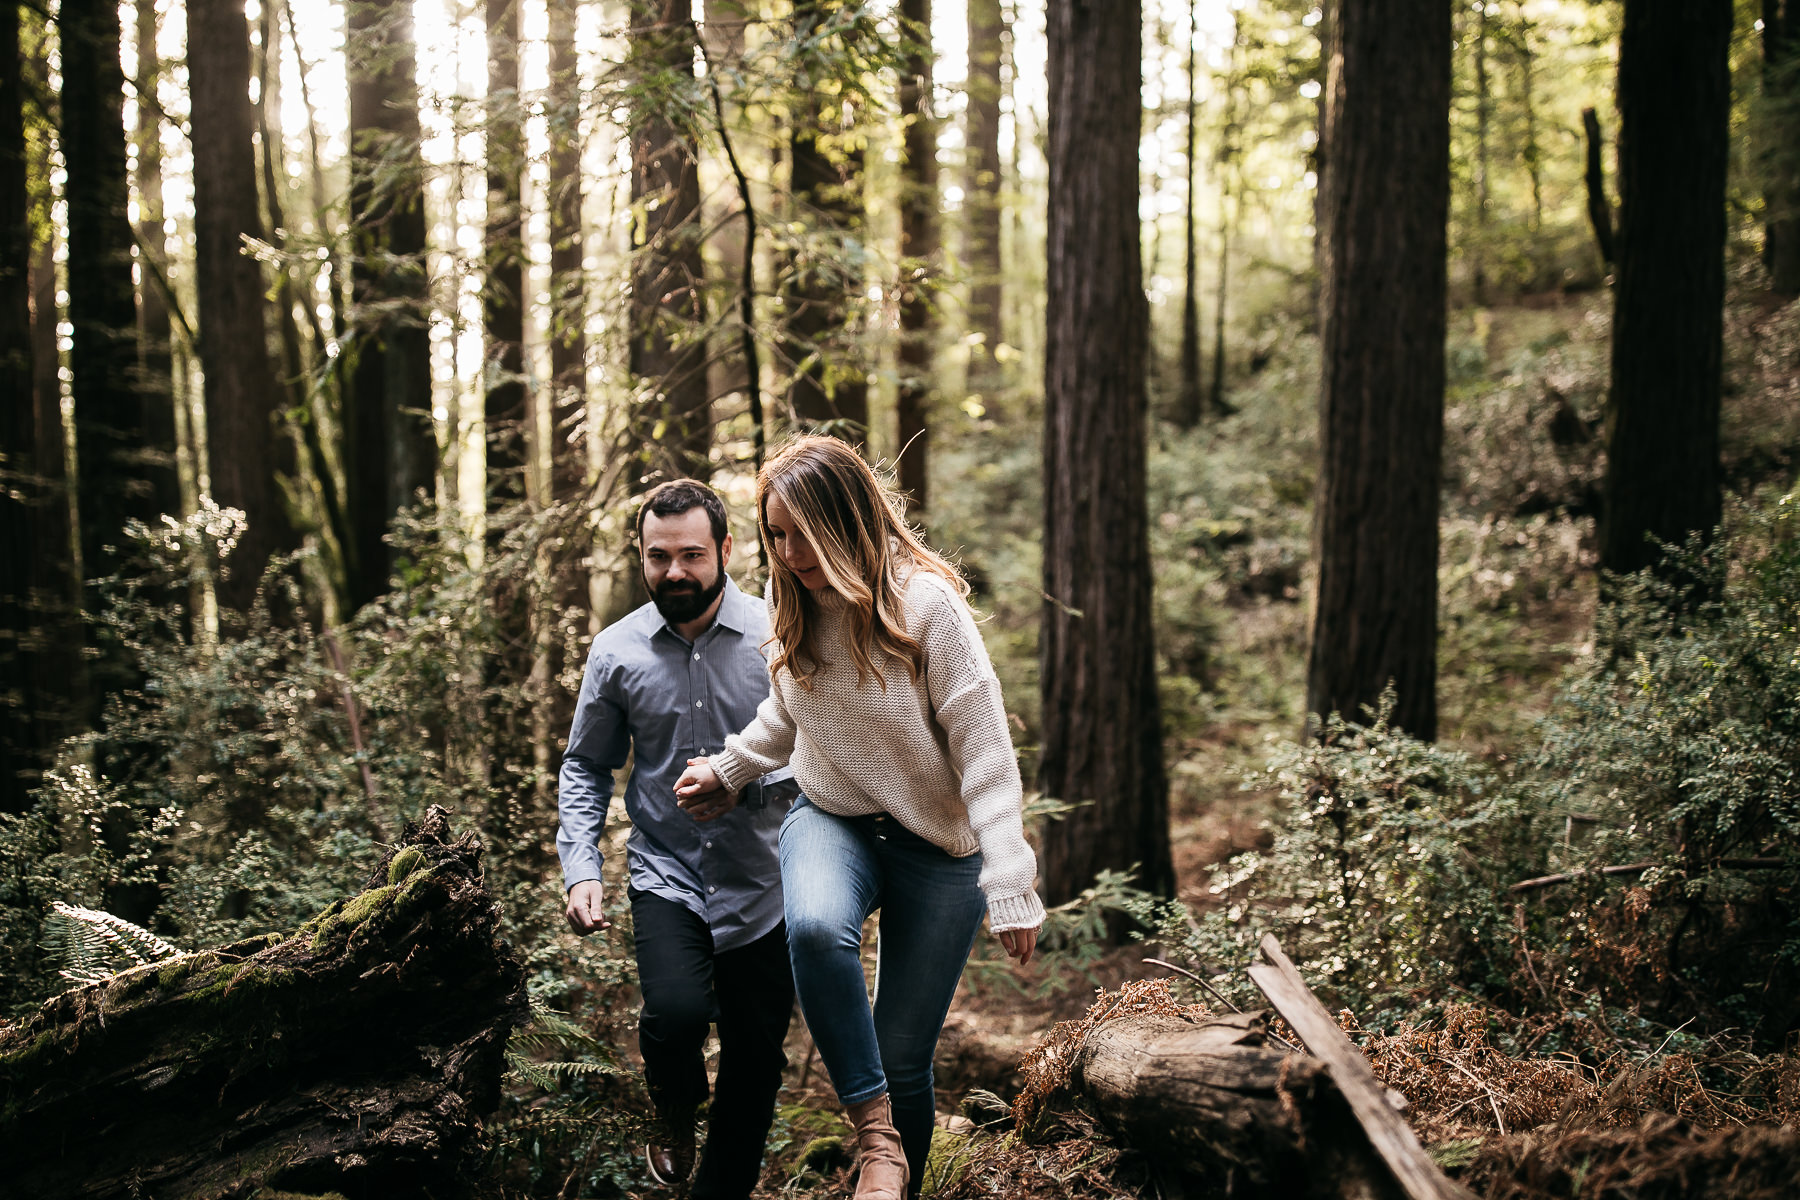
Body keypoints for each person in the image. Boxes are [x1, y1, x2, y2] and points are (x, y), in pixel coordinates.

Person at [674, 436, 1046, 1200]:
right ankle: (875, 1138)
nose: (786, 552)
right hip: (831, 816)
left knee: (903, 1053)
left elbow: (984, 748)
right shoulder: (795, 602)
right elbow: (791, 710)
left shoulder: (926, 606)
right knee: (813, 929)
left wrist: (1008, 873)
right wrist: (732, 767)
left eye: (800, 535)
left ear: (846, 521)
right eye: (774, 535)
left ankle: (894, 1184)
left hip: (939, 844)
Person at [557, 479, 798, 1199]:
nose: (676, 573)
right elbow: (585, 766)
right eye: (658, 557)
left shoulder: (778, 635)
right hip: (667, 875)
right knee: (675, 1014)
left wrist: (745, 782)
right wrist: (581, 866)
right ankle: (672, 1109)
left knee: (755, 1068)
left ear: (726, 550)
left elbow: (823, 753)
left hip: (769, 883)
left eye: (692, 555)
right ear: (641, 557)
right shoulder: (615, 651)